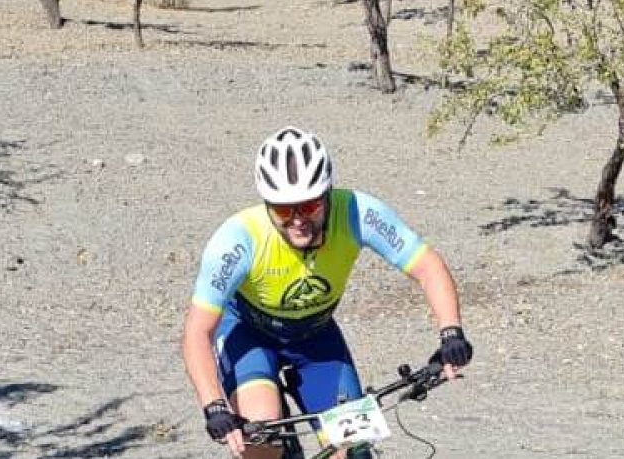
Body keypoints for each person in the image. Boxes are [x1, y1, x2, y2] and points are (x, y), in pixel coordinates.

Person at [181, 126, 473, 459]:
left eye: (309, 206)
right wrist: (214, 406)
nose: (297, 220)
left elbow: (427, 266)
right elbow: (197, 331)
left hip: (316, 338)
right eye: (283, 210)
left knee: (351, 450)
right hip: (249, 335)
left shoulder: (357, 212)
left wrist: (451, 333)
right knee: (260, 441)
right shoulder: (237, 240)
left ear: (328, 194)